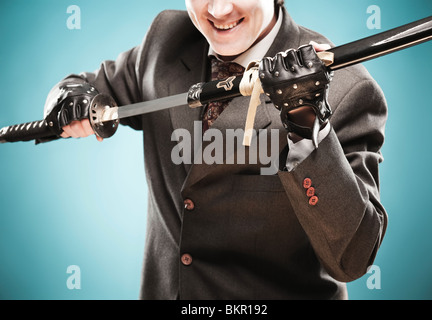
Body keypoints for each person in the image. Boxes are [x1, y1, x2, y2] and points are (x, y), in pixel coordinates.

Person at [42, 0, 388, 299]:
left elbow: (352, 258)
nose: (219, 10)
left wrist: (305, 124)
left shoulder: (347, 88)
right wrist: (68, 96)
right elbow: (84, 86)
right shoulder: (167, 40)